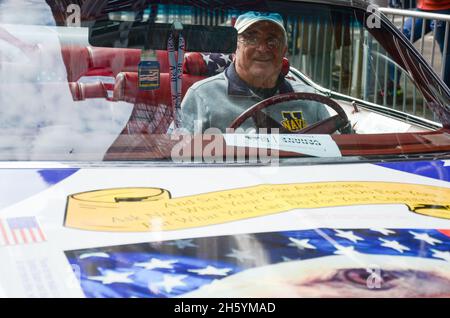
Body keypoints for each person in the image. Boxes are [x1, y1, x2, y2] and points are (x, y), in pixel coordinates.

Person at [179, 11, 330, 134]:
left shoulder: (311, 100)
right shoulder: (202, 96)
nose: (263, 49)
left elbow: (338, 153)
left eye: (273, 41)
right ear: (234, 48)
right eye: (251, 38)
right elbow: (177, 156)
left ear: (284, 51)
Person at [387, 0, 450, 97]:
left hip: (443, 8)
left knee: (447, 51)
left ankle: (446, 97)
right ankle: (393, 87)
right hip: (422, 8)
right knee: (397, 39)